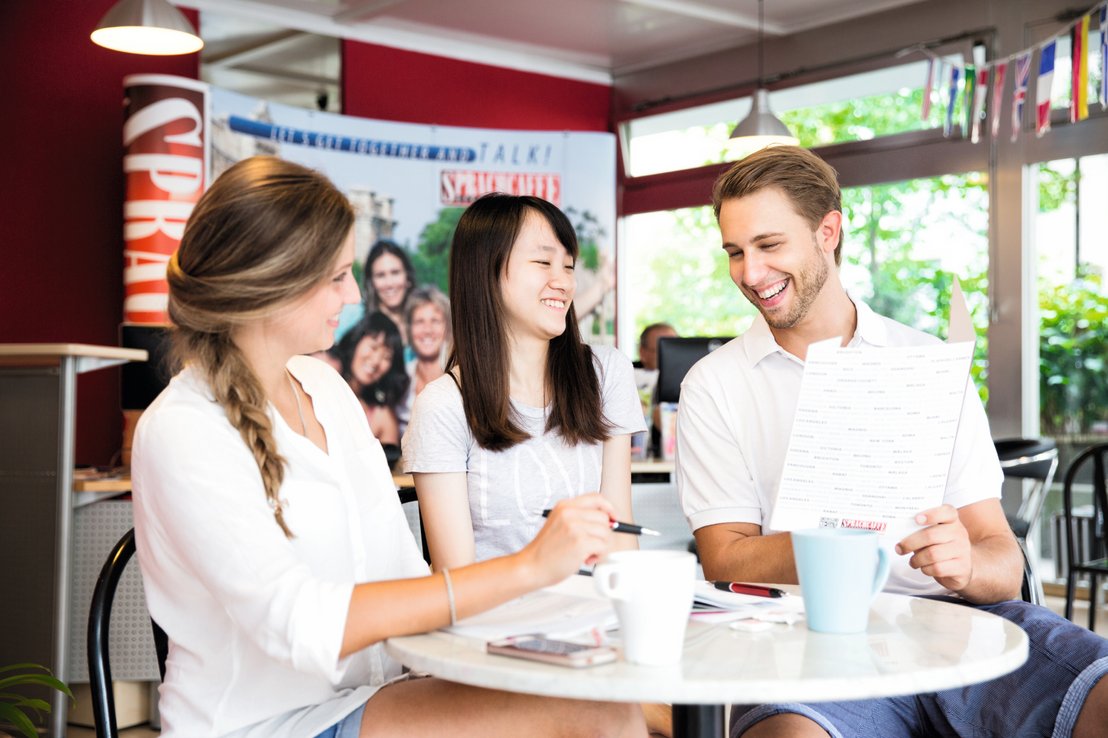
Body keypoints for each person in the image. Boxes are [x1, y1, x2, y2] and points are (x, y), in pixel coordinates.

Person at [130, 156, 646, 738]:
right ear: (268, 282)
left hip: (377, 695)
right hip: (266, 725)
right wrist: (529, 568)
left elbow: (403, 570)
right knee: (596, 714)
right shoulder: (184, 430)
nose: (352, 294)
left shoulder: (326, 390)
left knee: (613, 699)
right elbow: (302, 626)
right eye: (334, 277)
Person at [676, 145, 1108, 738]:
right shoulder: (716, 383)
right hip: (808, 642)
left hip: (959, 627)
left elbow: (1003, 567)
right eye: (735, 252)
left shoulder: (927, 362)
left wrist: (967, 564)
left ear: (828, 231)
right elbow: (725, 556)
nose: (749, 273)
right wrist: (848, 534)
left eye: (769, 246)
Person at [401, 193, 646, 569]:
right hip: (493, 623)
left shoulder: (607, 372)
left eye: (568, 266)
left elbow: (620, 540)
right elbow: (455, 579)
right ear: (486, 271)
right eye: (543, 262)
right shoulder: (444, 405)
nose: (562, 281)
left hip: (594, 615)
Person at [333, 311, 409, 445]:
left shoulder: (382, 416)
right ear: (356, 341)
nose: (376, 361)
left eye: (387, 357)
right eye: (373, 348)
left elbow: (389, 465)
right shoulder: (324, 375)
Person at [363, 240, 416, 346]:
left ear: (407, 277)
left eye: (395, 273)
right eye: (380, 275)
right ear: (371, 282)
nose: (389, 284)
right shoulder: (355, 316)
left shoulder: (422, 321)